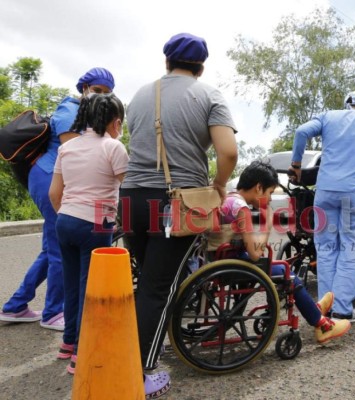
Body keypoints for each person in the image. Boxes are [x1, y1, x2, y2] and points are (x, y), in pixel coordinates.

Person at [119, 32, 238, 397]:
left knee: (146, 284)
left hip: (130, 200)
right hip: (177, 203)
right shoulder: (209, 96)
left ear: (167, 61)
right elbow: (229, 152)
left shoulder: (140, 94)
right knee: (159, 288)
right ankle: (138, 374)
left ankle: (123, 354)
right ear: (201, 67)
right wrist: (219, 185)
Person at [0, 68, 115, 330]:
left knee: (51, 248)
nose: (100, 96)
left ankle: (16, 306)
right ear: (84, 88)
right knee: (60, 249)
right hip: (50, 178)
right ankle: (53, 312)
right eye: (97, 90)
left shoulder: (83, 114)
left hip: (54, 178)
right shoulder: (70, 109)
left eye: (107, 93)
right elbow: (75, 148)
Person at [215, 160, 351, 343]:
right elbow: (255, 254)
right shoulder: (242, 209)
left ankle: (314, 309)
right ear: (258, 187)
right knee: (286, 271)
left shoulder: (230, 198)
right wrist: (267, 222)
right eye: (270, 193)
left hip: (226, 258)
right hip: (238, 263)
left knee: (281, 267)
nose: (270, 199)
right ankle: (321, 323)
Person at [48, 93, 129, 375]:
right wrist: (126, 223)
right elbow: (126, 192)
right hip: (95, 224)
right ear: (114, 121)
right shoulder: (113, 147)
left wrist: (69, 214)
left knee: (71, 286)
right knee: (90, 290)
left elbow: (54, 194)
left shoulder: (67, 148)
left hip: (65, 221)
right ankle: (82, 353)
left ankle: (67, 344)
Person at [289, 90, 355, 322]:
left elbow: (301, 131)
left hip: (325, 191)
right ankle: (342, 309)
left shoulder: (328, 116)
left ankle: (324, 307)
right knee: (350, 248)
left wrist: (296, 165)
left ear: (346, 105)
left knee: (326, 248)